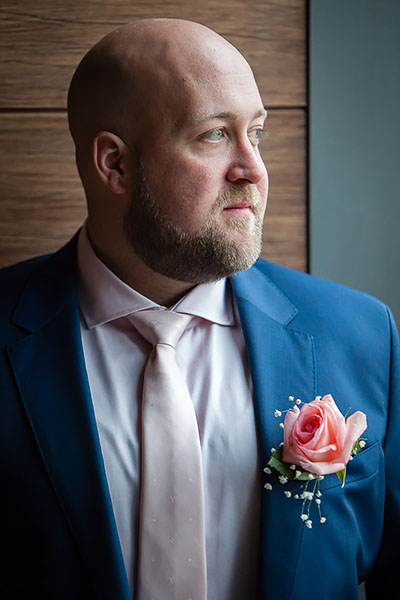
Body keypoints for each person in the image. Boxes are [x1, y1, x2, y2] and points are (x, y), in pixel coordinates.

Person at [0, 18, 398, 600]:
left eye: (255, 133)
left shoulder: (360, 334)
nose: (253, 170)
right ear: (114, 164)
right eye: (214, 135)